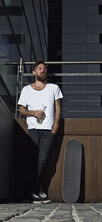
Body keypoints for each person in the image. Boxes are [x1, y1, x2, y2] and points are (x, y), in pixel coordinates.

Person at [18, 60, 63, 204]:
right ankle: (37, 191)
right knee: (33, 160)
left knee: (43, 160)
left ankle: (36, 190)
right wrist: (33, 113)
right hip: (33, 129)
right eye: (39, 68)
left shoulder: (53, 88)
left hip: (49, 130)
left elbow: (58, 108)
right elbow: (21, 109)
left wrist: (56, 126)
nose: (43, 70)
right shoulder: (26, 90)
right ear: (34, 72)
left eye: (44, 68)